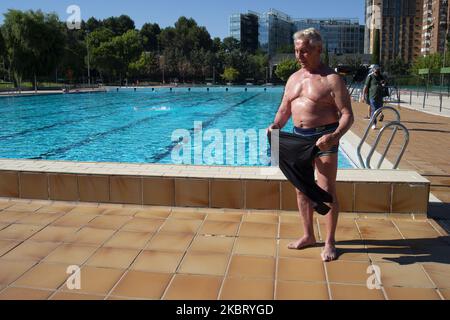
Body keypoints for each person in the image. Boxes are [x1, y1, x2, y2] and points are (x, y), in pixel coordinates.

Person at [267, 28, 354, 262]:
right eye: (296, 51)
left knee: (326, 191)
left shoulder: (332, 79)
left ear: (319, 49)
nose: (299, 56)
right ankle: (308, 235)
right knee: (302, 189)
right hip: (298, 137)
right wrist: (276, 125)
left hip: (325, 138)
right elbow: (284, 109)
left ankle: (330, 241)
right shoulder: (293, 79)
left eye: (304, 51)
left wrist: (334, 137)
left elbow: (347, 115)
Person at [363, 65, 386, 129]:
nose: (376, 71)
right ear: (373, 70)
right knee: (373, 109)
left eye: (377, 70)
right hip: (372, 96)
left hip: (380, 96)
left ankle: (374, 118)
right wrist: (363, 96)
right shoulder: (370, 76)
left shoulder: (381, 76)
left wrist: (383, 84)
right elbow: (365, 86)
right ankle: (373, 123)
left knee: (379, 110)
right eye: (375, 70)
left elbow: (384, 83)